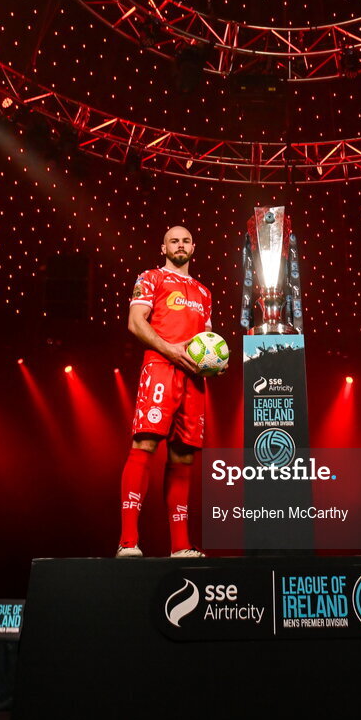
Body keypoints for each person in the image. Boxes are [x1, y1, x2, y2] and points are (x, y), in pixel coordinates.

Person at [117, 225, 211, 558]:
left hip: (194, 379)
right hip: (160, 368)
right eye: (174, 240)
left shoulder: (203, 291)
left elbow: (207, 342)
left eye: (186, 240)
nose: (180, 245)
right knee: (145, 443)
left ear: (193, 247)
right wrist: (170, 350)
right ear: (164, 246)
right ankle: (128, 542)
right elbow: (135, 322)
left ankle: (180, 547)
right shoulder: (151, 278)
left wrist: (217, 362)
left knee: (184, 455)